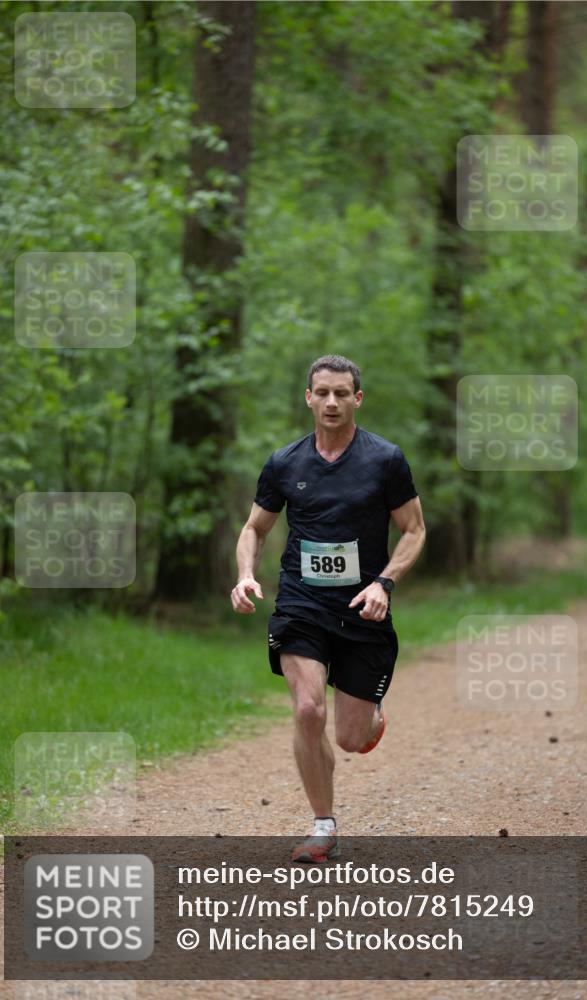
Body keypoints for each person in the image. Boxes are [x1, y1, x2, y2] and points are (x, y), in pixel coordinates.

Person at [231, 354, 426, 862]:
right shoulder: (285, 462)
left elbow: (413, 530)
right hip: (302, 602)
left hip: (363, 607)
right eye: (323, 393)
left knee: (351, 739)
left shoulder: (385, 460)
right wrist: (246, 574)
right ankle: (322, 825)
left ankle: (370, 718)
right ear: (309, 398)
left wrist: (385, 583)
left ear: (357, 399)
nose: (332, 402)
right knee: (307, 708)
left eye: (342, 393)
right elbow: (255, 528)